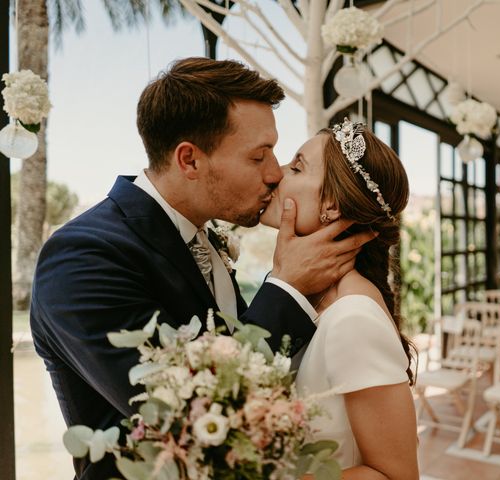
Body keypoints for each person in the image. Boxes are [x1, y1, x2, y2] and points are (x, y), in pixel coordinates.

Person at [29, 58, 375, 480]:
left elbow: (232, 348)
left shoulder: (203, 238)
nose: (274, 174)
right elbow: (182, 410)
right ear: (189, 160)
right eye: (258, 156)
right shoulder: (83, 257)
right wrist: (288, 285)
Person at [260, 118, 419, 479]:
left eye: (296, 167)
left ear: (331, 205)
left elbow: (397, 474)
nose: (275, 174)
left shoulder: (353, 317)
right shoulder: (307, 297)